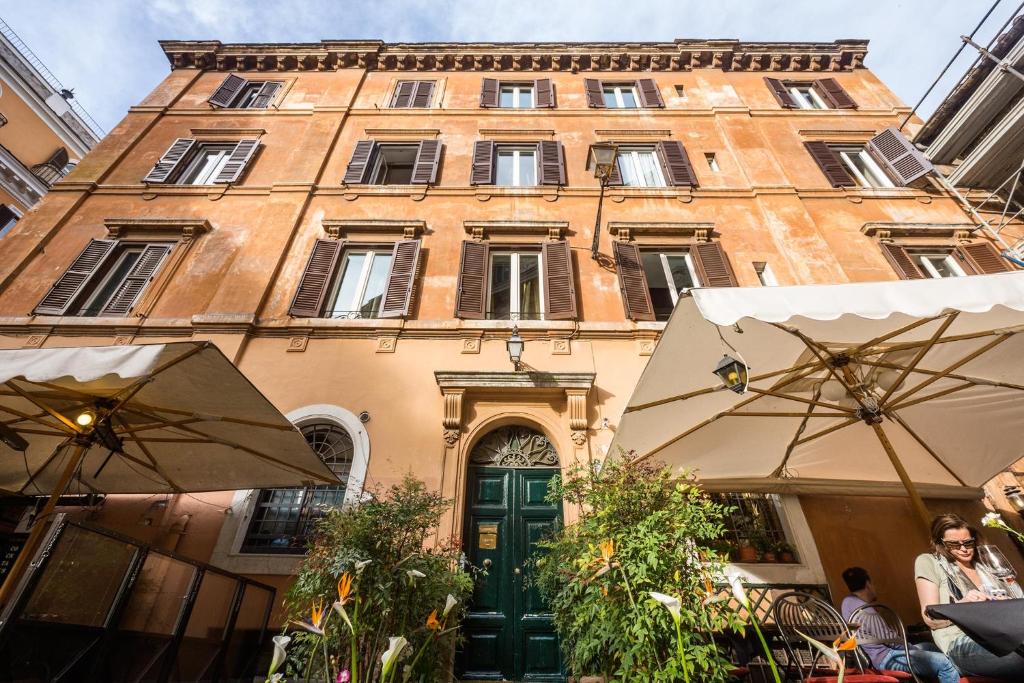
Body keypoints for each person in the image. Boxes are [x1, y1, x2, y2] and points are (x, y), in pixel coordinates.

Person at [915, 513, 1024, 679]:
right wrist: (962, 607)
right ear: (940, 543)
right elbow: (929, 618)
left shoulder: (985, 564)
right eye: (954, 544)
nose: (963, 549)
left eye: (968, 542)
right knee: (1017, 656)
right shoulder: (929, 562)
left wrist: (1006, 602)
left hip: (1003, 633)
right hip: (960, 643)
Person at [840, 566, 960, 683]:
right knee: (945, 663)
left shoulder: (847, 602)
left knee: (931, 647)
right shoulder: (866, 609)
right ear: (868, 584)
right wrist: (911, 648)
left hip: (876, 656)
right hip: (886, 658)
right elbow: (890, 640)